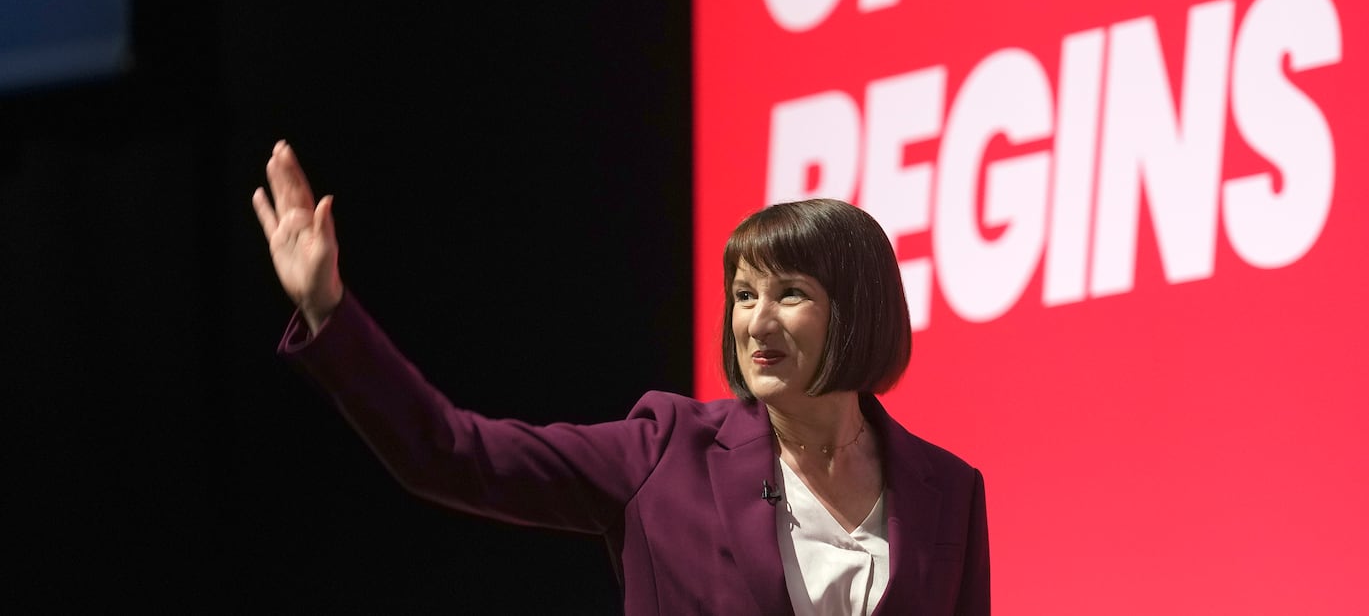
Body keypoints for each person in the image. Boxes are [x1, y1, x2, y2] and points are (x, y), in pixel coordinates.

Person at [253, 140, 990, 615]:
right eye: (742, 295)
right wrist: (328, 308)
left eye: (788, 293)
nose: (756, 322)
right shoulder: (665, 452)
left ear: (856, 310)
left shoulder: (947, 491)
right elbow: (449, 450)